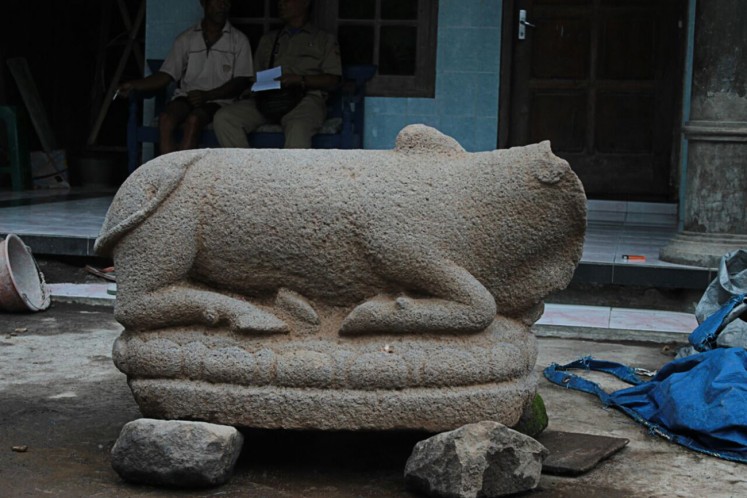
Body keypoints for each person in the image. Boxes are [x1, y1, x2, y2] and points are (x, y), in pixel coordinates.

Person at [117, 0, 252, 154]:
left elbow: (240, 82)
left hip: (219, 101)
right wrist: (135, 85)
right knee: (166, 119)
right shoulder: (186, 39)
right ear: (204, 2)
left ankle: (180, 175)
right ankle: (170, 173)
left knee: (193, 120)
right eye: (216, 0)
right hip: (188, 97)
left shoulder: (238, 40)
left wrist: (207, 95)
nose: (222, 5)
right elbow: (166, 75)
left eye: (226, 2)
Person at [213, 0, 342, 149]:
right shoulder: (269, 39)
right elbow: (255, 77)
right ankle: (247, 171)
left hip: (306, 99)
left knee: (298, 128)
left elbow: (334, 80)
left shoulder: (324, 40)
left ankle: (289, 173)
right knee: (225, 118)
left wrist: (299, 79)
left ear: (305, 3)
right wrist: (259, 85)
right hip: (268, 98)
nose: (281, 3)